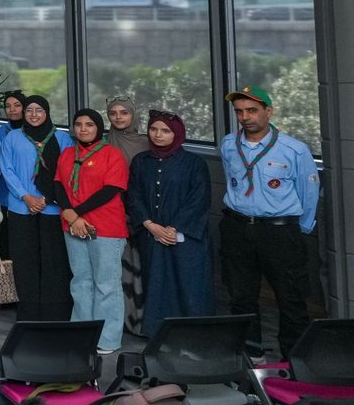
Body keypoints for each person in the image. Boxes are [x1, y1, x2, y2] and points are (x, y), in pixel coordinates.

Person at [218, 85, 318, 357]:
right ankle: (252, 356)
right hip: (238, 227)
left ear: (268, 111)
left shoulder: (294, 149)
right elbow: (232, 181)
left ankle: (294, 361)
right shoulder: (229, 145)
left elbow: (309, 193)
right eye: (239, 112)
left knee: (291, 299)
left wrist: (301, 230)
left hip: (279, 231)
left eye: (252, 110)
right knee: (241, 297)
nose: (245, 117)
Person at [126, 110, 212, 338]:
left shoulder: (194, 163)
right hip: (150, 234)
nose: (158, 135)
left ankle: (191, 335)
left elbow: (199, 199)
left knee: (188, 284)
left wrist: (175, 228)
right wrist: (150, 225)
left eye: (165, 131)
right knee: (156, 283)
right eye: (154, 129)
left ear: (177, 134)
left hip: (185, 238)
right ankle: (157, 335)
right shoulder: (140, 162)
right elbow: (133, 196)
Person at [51, 109, 130, 355]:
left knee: (106, 284)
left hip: (105, 227)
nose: (83, 129)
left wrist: (75, 213)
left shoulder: (112, 154)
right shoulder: (67, 154)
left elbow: (111, 190)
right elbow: (58, 185)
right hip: (72, 226)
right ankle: (81, 332)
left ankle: (107, 339)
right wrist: (70, 214)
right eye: (78, 124)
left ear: (99, 128)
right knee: (81, 281)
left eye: (89, 124)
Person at [0, 95, 74, 321]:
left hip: (52, 209)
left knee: (53, 260)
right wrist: (27, 197)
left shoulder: (62, 139)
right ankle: (28, 311)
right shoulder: (13, 137)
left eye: (38, 110)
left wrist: (46, 199)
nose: (33, 114)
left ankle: (54, 311)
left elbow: (66, 173)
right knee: (25, 261)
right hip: (22, 208)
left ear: (47, 112)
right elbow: (7, 169)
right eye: (29, 110)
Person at [102, 95, 151, 336]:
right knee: (115, 269)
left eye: (124, 112)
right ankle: (116, 321)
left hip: (142, 216)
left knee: (140, 268)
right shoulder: (102, 142)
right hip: (110, 214)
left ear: (133, 115)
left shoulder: (146, 143)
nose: (119, 117)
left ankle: (139, 320)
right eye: (113, 113)